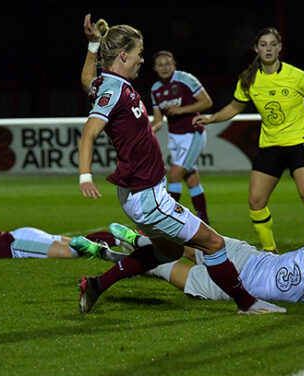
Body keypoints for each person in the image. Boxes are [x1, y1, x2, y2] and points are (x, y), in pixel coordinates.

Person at [77, 14, 285, 315]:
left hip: (141, 193)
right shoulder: (115, 90)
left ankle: (96, 285)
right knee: (213, 243)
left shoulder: (108, 84)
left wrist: (93, 45)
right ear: (124, 55)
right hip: (147, 195)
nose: (142, 60)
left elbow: (87, 81)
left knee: (168, 252)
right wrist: (85, 177)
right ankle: (247, 303)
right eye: (138, 53)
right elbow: (88, 134)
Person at [192, 27, 304, 253]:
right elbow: (235, 107)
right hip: (270, 145)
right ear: (256, 49)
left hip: (299, 140)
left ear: (279, 48)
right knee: (256, 202)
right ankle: (269, 252)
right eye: (263, 45)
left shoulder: (296, 76)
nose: (268, 49)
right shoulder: (249, 80)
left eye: (272, 44)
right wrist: (212, 118)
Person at [108, 223, 304, 305]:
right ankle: (138, 241)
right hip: (243, 256)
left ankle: (109, 255)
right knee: (188, 247)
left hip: (228, 288)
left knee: (163, 270)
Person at [150, 51, 213, 224]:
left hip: (193, 134)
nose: (164, 67)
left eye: (167, 64)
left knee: (175, 174)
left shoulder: (185, 79)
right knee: (191, 179)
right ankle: (204, 221)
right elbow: (157, 120)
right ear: (155, 68)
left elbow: (207, 102)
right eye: (160, 65)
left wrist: (182, 110)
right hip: (175, 137)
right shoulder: (155, 89)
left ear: (174, 65)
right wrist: (148, 131)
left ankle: (168, 220)